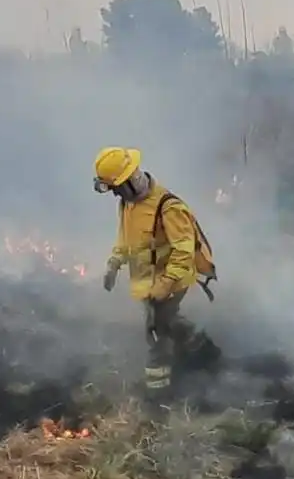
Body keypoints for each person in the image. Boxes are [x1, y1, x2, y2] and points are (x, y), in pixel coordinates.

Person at [93, 147, 217, 399]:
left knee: (156, 330)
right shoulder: (127, 205)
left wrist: (166, 283)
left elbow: (183, 251)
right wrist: (114, 264)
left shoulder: (168, 207)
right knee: (171, 324)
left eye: (117, 187)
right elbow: (125, 239)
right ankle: (206, 354)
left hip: (172, 281)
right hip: (146, 281)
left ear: (130, 180)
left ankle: (158, 397)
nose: (115, 193)